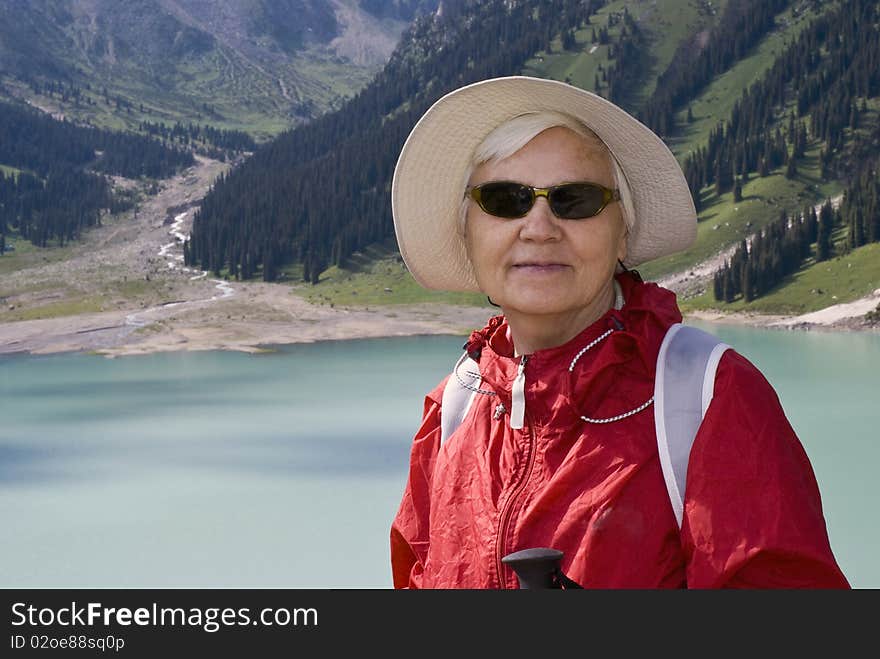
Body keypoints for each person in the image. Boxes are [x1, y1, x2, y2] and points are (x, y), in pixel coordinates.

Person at [388, 76, 850, 589]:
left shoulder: (712, 399)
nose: (539, 227)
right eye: (505, 199)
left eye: (576, 200)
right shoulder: (453, 412)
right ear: (468, 231)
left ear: (621, 232)